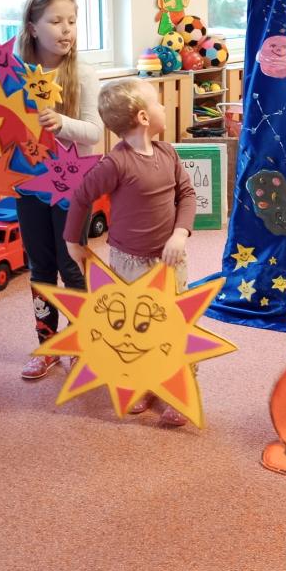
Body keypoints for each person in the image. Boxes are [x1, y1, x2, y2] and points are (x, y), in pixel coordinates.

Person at [64, 78, 198, 427]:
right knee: (137, 327)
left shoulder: (168, 153)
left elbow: (187, 195)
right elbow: (81, 197)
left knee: (174, 325)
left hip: (170, 261)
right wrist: (72, 242)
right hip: (129, 263)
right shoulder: (115, 163)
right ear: (143, 117)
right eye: (158, 103)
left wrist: (180, 234)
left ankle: (179, 388)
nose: (164, 107)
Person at [15, 0, 103, 381]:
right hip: (29, 182)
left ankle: (82, 341)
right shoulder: (15, 71)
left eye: (72, 21)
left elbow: (94, 132)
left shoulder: (82, 73)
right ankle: (48, 344)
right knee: (40, 265)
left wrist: (60, 123)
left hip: (73, 186)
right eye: (55, 21)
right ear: (33, 27)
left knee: (72, 264)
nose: (66, 29)